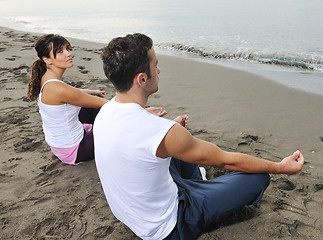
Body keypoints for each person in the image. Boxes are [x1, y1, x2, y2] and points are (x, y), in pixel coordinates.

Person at [94, 33, 305, 240]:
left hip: (134, 215)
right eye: (155, 66)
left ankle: (199, 184)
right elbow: (225, 159)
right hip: (169, 225)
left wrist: (170, 129)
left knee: (175, 140)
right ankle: (202, 191)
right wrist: (280, 167)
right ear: (142, 78)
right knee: (258, 177)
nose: (158, 70)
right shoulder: (158, 131)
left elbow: (141, 140)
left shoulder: (105, 112)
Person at [28, 34, 167, 165]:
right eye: (60, 51)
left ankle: (129, 119)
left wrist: (91, 92)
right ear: (46, 59)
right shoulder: (58, 89)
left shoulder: (47, 79)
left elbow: (70, 93)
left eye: (67, 49)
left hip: (60, 143)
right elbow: (110, 106)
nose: (68, 54)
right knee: (116, 118)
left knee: (96, 105)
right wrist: (143, 112)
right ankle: (141, 124)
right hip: (74, 150)